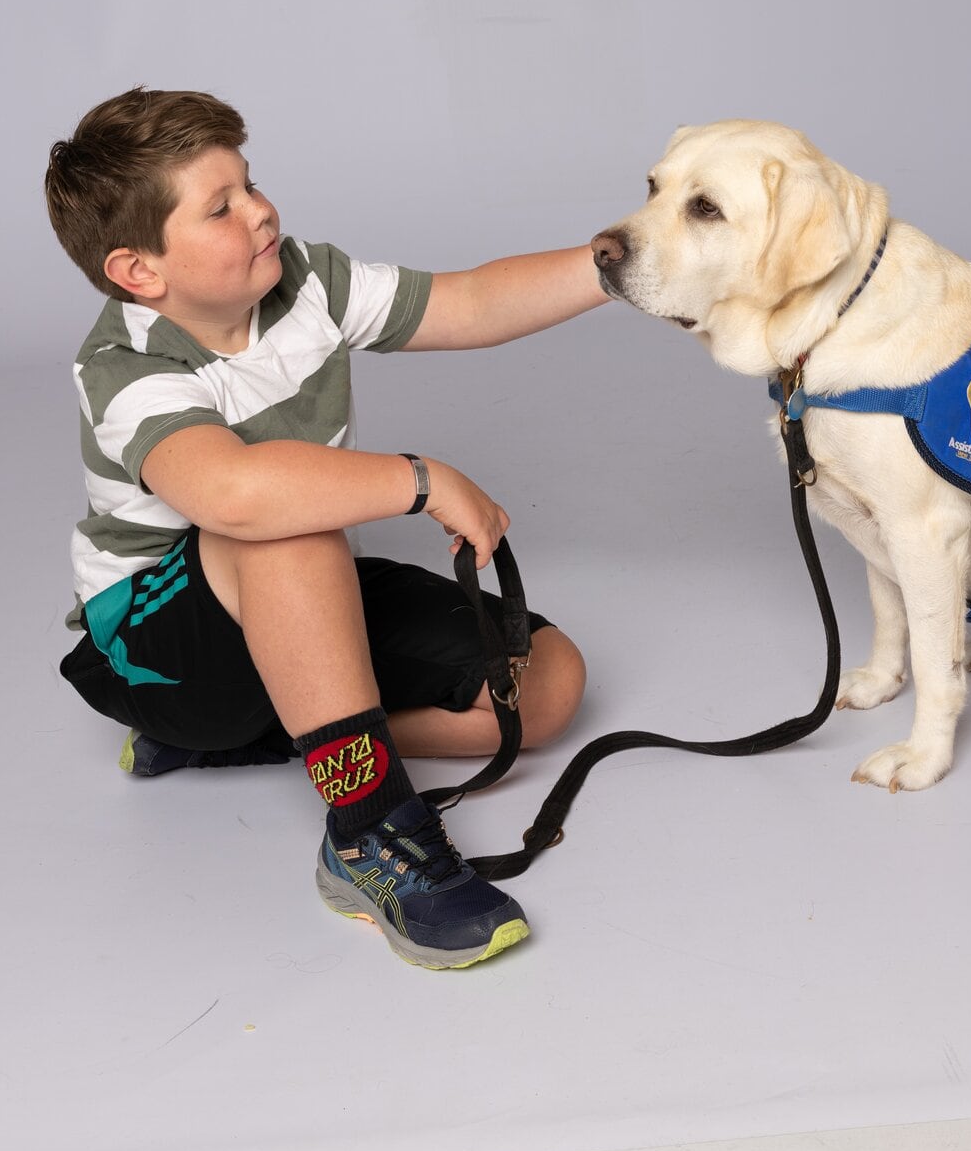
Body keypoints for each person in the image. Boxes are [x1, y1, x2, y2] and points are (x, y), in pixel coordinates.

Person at [44, 87, 605, 970]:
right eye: (220, 207)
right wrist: (422, 481)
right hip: (157, 651)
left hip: (284, 595)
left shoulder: (306, 281)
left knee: (545, 688)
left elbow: (470, 302)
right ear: (139, 272)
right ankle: (369, 830)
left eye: (251, 185)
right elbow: (232, 493)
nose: (260, 210)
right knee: (281, 521)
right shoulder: (126, 366)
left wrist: (620, 263)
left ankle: (302, 733)